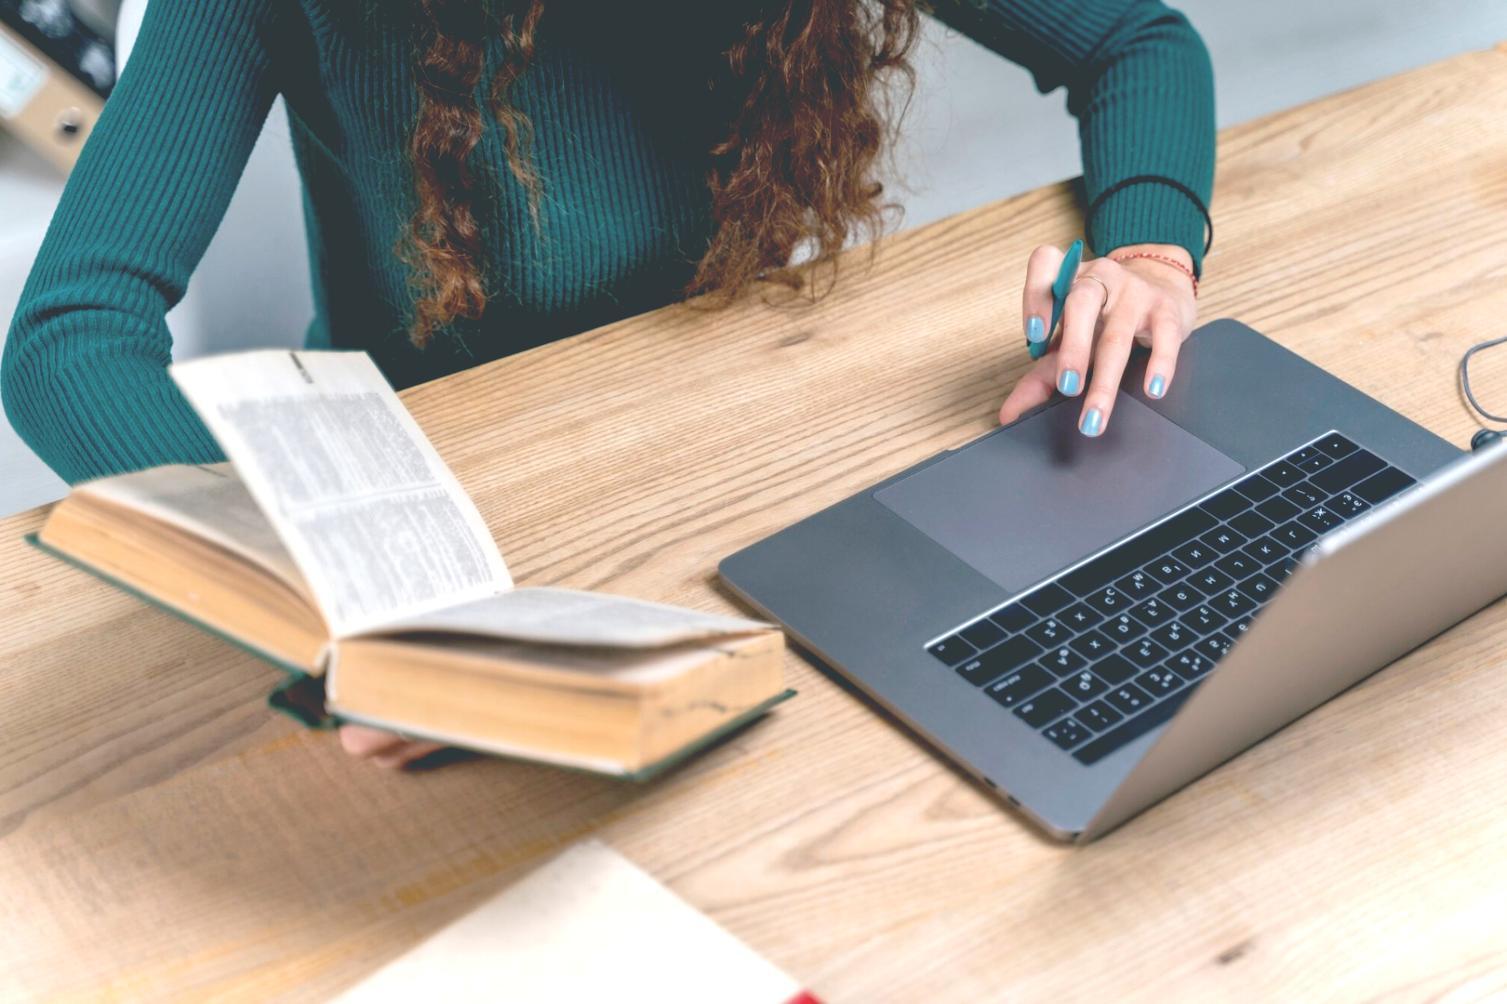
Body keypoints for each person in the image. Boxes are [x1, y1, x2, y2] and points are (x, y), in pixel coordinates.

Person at [1, 0, 1214, 767]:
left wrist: (1150, 253)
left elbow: (1135, 42)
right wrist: (329, 580)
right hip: (458, 518)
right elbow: (71, 332)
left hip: (748, 464)